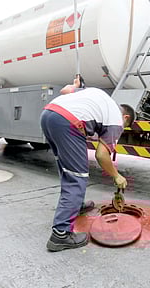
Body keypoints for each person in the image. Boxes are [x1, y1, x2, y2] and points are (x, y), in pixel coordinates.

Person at [40, 76, 135, 252]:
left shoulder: (98, 95)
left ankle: (77, 204)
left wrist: (76, 85)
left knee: (67, 169)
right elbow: (101, 155)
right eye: (125, 125)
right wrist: (117, 176)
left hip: (48, 114)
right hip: (67, 122)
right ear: (126, 117)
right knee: (77, 177)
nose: (121, 130)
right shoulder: (116, 120)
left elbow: (65, 91)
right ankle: (60, 235)